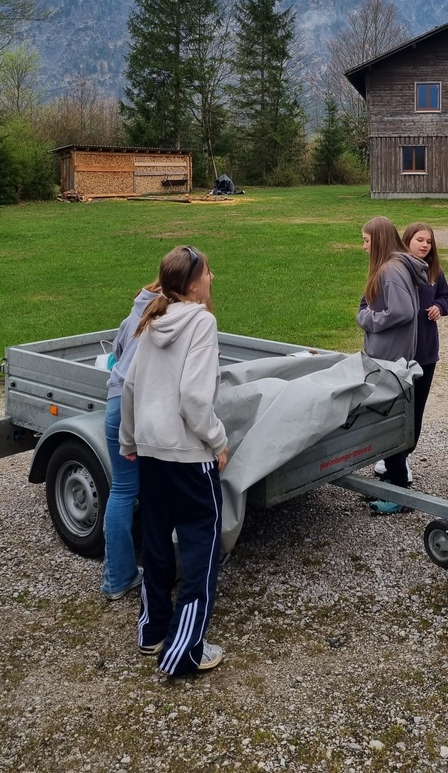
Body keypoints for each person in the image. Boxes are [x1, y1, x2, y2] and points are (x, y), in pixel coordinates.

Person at [119, 245, 228, 676]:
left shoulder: (153, 318)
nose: (212, 277)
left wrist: (129, 439)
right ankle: (185, 651)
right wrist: (218, 441)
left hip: (150, 453)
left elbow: (129, 386)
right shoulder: (201, 322)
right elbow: (195, 399)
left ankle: (152, 631)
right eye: (208, 272)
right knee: (202, 547)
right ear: (193, 284)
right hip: (188, 456)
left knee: (157, 543)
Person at [356, 216, 427, 513]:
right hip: (392, 356)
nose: (364, 246)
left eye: (366, 240)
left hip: (390, 360)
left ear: (379, 240)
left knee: (390, 423)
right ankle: (392, 484)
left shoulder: (390, 270)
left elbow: (403, 311)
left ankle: (399, 494)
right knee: (389, 420)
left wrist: (368, 319)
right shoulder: (395, 267)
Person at [374, 222, 448, 486]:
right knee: (394, 408)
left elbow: (445, 297)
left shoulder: (434, 271)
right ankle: (390, 456)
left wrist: (439, 307)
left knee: (416, 408)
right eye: (420, 240)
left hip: (426, 352)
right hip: (399, 354)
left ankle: (404, 455)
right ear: (406, 240)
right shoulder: (396, 271)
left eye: (429, 241)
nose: (425, 245)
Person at [100, 278, 160, 601]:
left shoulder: (138, 309)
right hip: (138, 406)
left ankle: (117, 576)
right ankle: (149, 571)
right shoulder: (173, 312)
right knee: (149, 489)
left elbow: (118, 351)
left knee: (122, 489)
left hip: (114, 403)